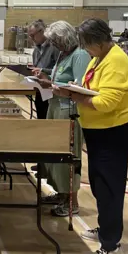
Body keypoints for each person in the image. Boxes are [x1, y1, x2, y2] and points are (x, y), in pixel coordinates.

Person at [56, 18, 128, 254]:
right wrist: (74, 88)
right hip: (99, 131)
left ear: (100, 41)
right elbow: (91, 87)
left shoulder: (116, 60)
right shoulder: (99, 58)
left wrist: (76, 96)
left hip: (115, 130)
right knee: (98, 184)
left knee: (109, 188)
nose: (86, 50)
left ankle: (112, 245)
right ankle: (105, 230)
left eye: (88, 45)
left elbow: (106, 102)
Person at [35, 21, 91, 217]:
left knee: (68, 156)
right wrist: (44, 75)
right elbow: (60, 76)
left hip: (69, 110)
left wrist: (51, 83)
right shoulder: (63, 54)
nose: (55, 46)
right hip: (55, 106)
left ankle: (72, 201)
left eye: (57, 41)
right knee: (54, 155)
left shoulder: (80, 55)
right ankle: (60, 193)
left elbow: (80, 85)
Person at [28, 20, 59, 119]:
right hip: (39, 90)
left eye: (33, 35)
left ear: (42, 31)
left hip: (51, 90)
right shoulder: (36, 50)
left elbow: (59, 70)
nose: (31, 38)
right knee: (41, 117)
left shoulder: (55, 47)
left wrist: (42, 70)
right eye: (30, 36)